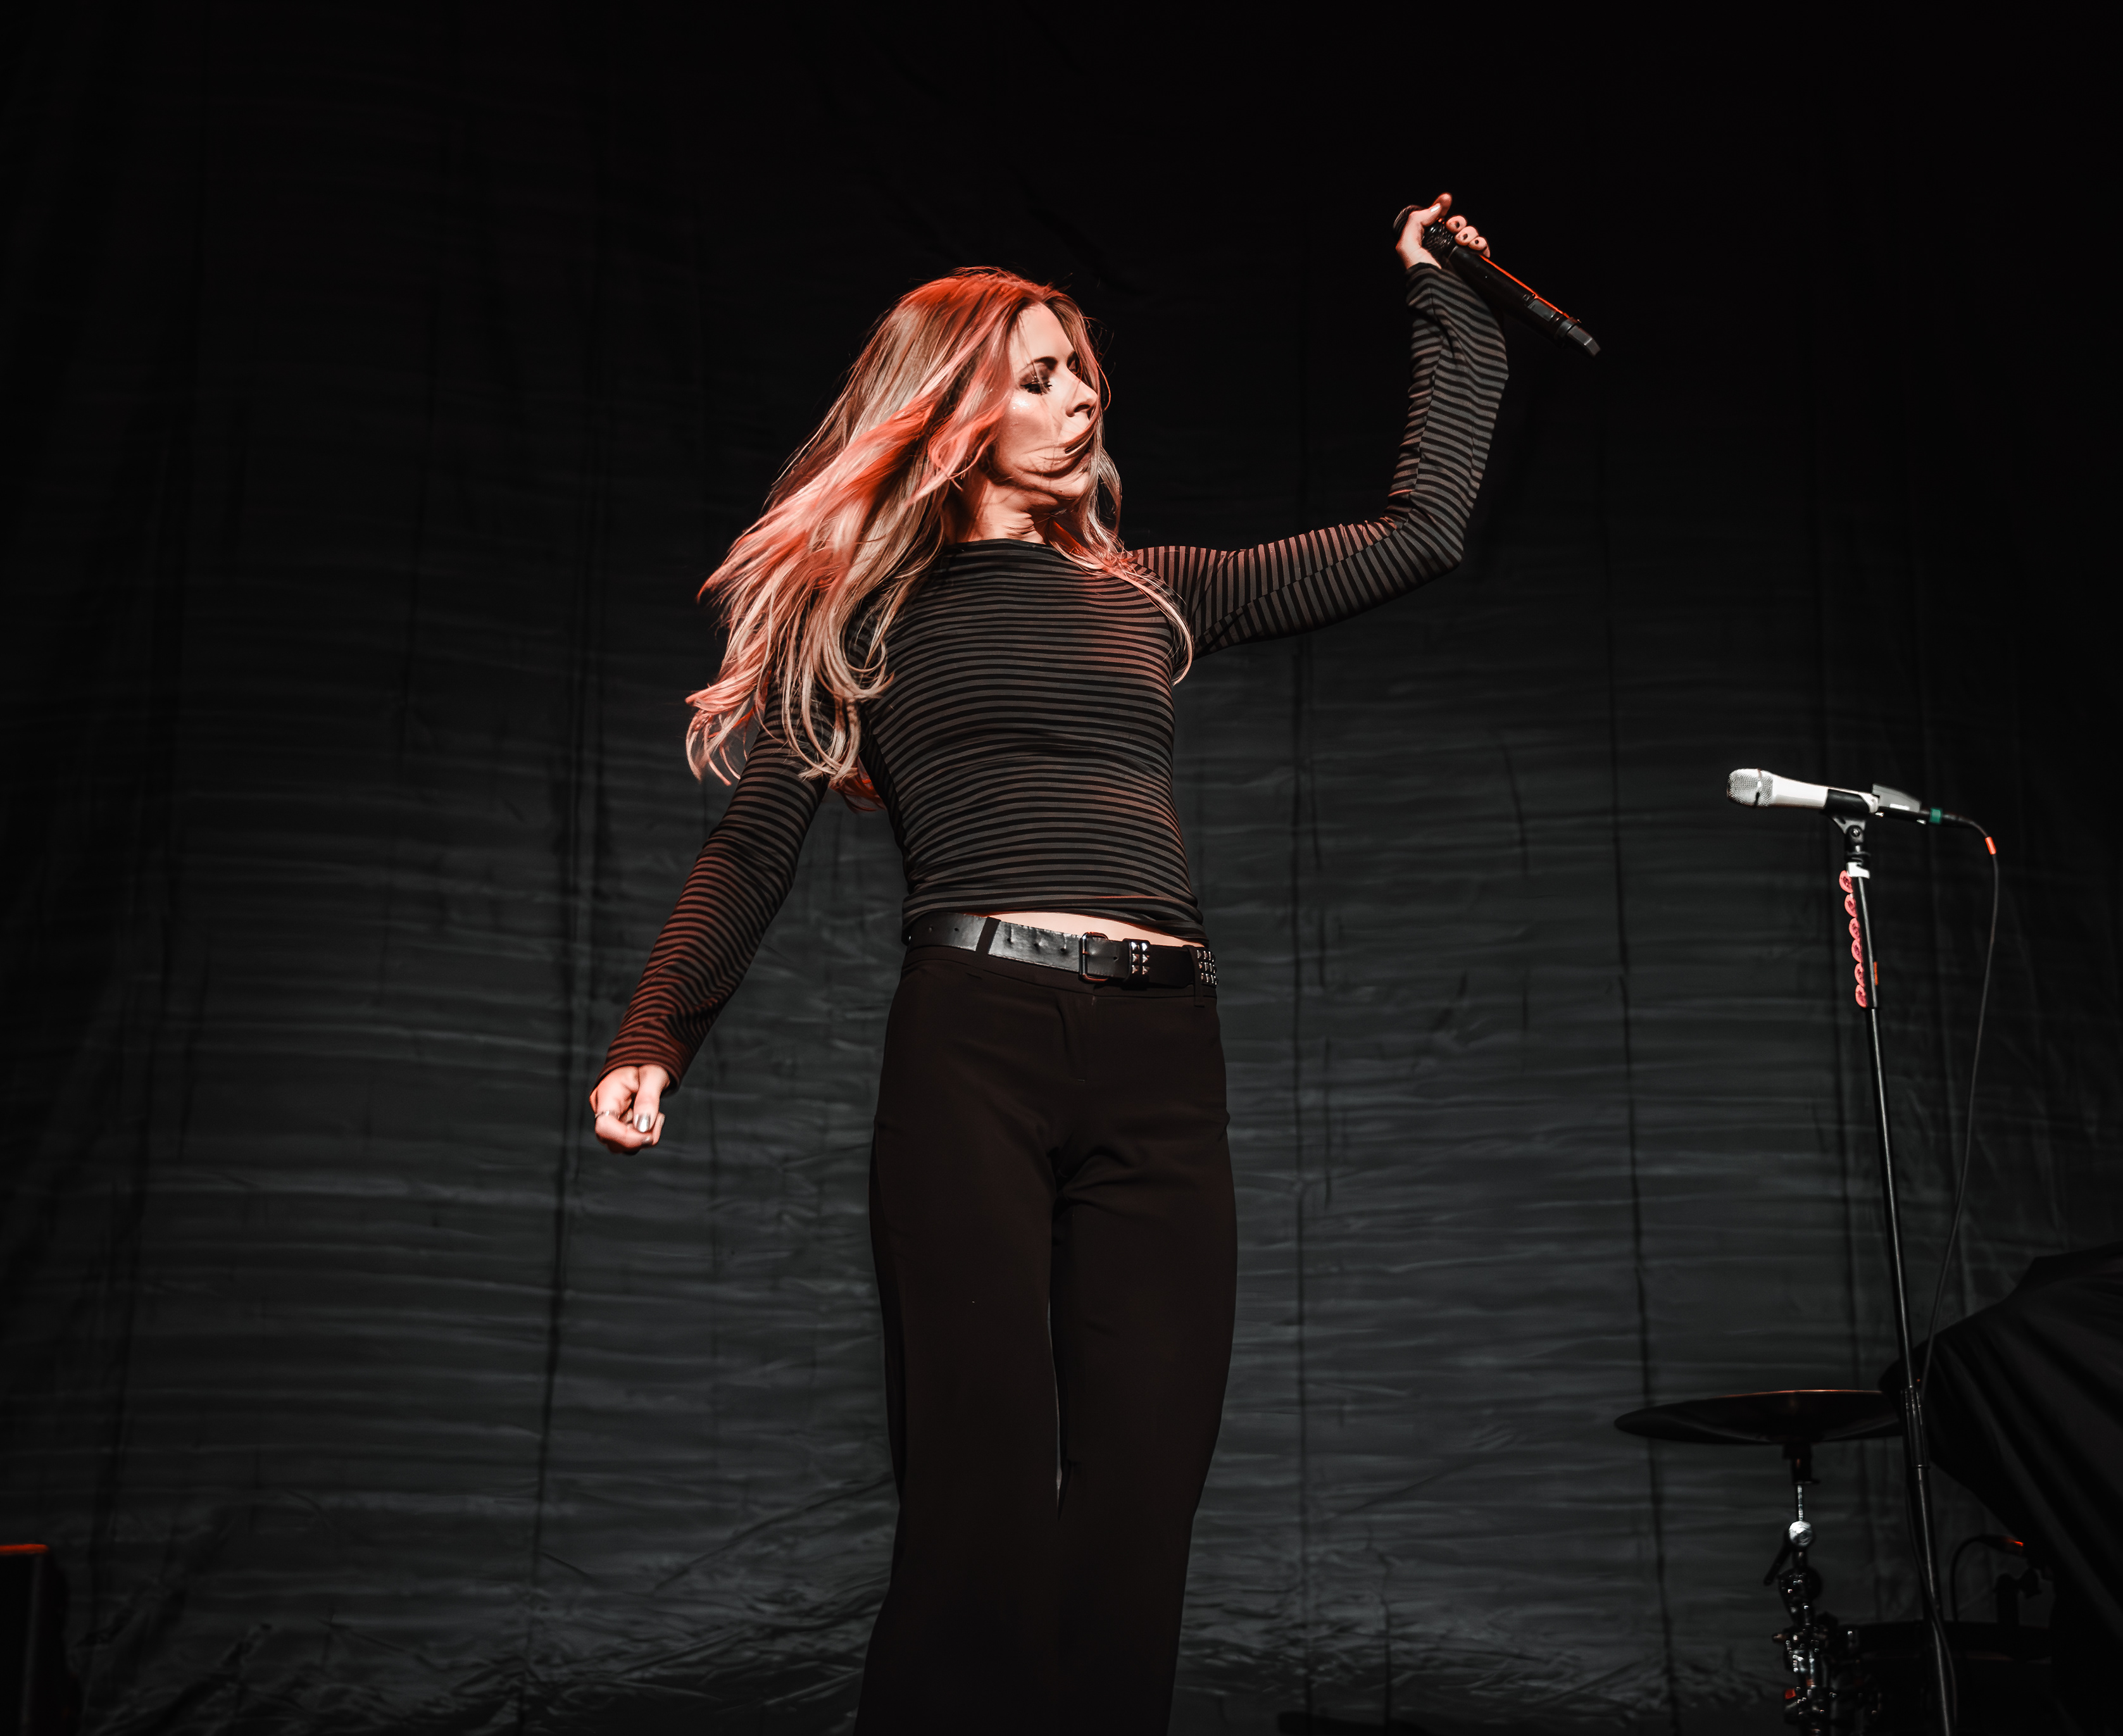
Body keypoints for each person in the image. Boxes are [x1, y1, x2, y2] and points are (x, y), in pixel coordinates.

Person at [589, 193, 1507, 1733]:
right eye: (1037, 375)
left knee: (1143, 1505)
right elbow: (751, 846)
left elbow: (1422, 533)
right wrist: (653, 1034)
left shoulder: (1149, 592)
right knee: (983, 1504)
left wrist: (1446, 301)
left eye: (1081, 369)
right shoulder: (861, 612)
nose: (1080, 398)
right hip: (979, 1046)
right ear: (952, 412)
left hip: (1164, 1059)